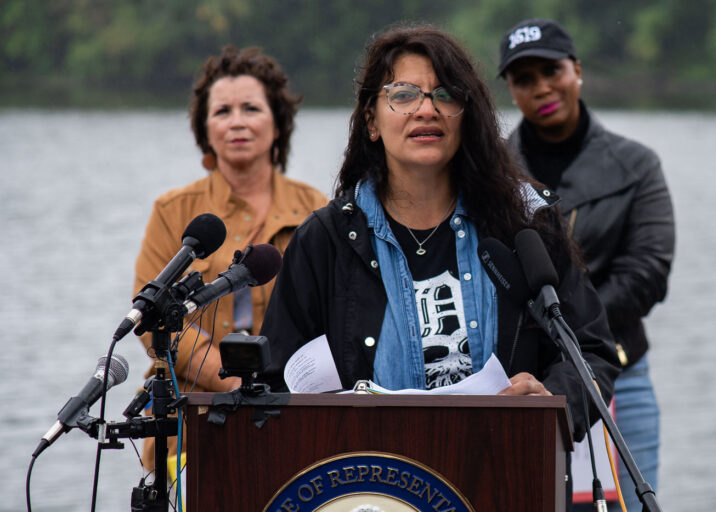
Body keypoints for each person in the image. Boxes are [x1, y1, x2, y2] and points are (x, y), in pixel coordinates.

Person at [260, 23, 619, 455]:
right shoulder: (327, 239)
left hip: (504, 470)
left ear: (467, 117)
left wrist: (551, 403)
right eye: (404, 94)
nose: (426, 110)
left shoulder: (524, 223)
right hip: (370, 480)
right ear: (371, 120)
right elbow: (274, 382)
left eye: (445, 94)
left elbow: (592, 352)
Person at [498, 19, 675, 511]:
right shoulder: (492, 172)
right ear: (511, 90)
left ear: (576, 70)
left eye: (551, 70)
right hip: (525, 387)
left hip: (622, 370)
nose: (542, 87)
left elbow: (648, 274)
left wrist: (575, 330)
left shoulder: (636, 165)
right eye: (524, 79)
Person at [133, 45, 328, 470]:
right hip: (189, 422)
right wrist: (234, 379)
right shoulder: (172, 210)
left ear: (278, 123)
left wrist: (273, 390)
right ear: (205, 129)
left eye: (251, 108)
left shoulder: (318, 208)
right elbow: (153, 321)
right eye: (222, 111)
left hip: (290, 413)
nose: (237, 121)